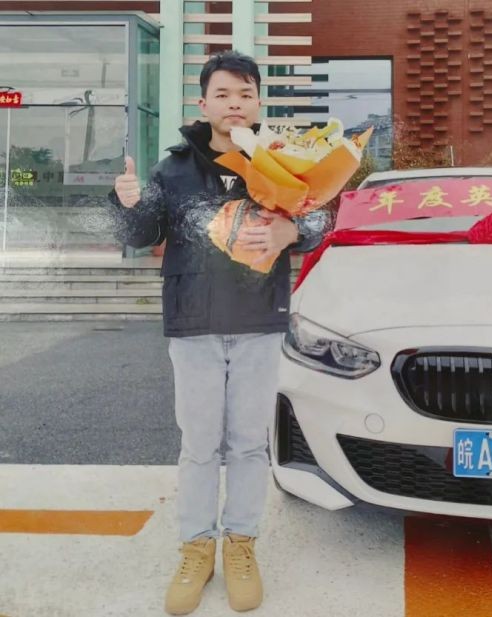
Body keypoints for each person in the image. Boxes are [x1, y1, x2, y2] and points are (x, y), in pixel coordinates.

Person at [109, 50, 329, 615]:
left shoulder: (282, 161)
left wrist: (290, 233)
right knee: (200, 445)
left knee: (250, 443)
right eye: (224, 94)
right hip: (195, 323)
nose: (235, 104)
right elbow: (142, 233)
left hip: (259, 320)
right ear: (203, 103)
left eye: (246, 94)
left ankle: (241, 543)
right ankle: (196, 546)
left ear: (258, 103)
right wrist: (126, 203)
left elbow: (318, 218)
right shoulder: (173, 169)